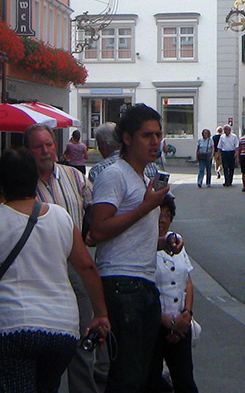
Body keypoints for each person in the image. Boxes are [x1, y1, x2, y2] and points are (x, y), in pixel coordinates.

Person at [0, 148, 110, 393]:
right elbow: (87, 267)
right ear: (34, 179)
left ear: (1, 184)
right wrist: (100, 314)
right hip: (63, 329)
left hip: (10, 326)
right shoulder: (61, 216)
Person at [87, 104, 169, 393]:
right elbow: (98, 229)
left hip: (144, 282)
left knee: (144, 373)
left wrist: (164, 242)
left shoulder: (143, 178)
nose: (155, 142)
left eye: (158, 135)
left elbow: (130, 236)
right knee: (128, 375)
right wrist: (145, 207)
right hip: (122, 282)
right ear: (127, 139)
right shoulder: (115, 175)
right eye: (147, 135)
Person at [25, 124, 100, 393]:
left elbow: (92, 207)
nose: (45, 151)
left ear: (57, 147)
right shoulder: (22, 185)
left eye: (49, 145)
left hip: (76, 265)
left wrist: (91, 232)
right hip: (40, 270)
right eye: (38, 146)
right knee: (48, 341)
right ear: (28, 151)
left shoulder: (75, 176)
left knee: (82, 337)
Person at [154, 195, 199, 393]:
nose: (162, 220)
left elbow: (188, 282)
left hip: (181, 324)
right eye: (158, 214)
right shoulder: (141, 245)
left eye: (167, 215)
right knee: (152, 382)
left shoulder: (176, 241)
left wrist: (187, 314)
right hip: (154, 326)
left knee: (185, 382)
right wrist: (167, 324)